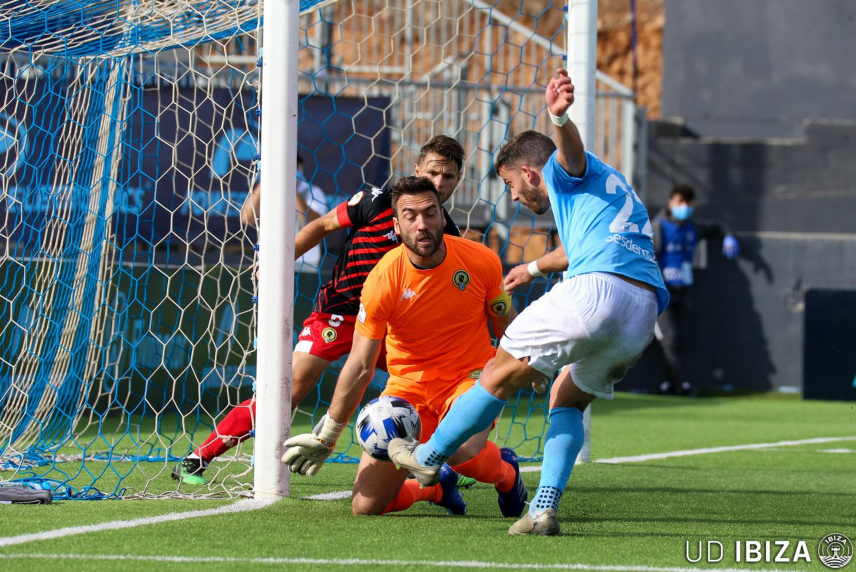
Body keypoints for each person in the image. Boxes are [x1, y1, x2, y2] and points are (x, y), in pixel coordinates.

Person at [387, 68, 669, 536]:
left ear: (531, 172)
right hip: (641, 311)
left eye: (510, 184)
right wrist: (535, 268)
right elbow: (580, 249)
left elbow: (569, 153)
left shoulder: (564, 170)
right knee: (566, 399)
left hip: (595, 294)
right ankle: (542, 510)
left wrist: (559, 117)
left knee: (498, 372)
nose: (513, 196)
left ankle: (428, 457)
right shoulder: (611, 188)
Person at [172, 136, 466, 485]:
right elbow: (323, 226)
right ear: (418, 169)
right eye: (434, 172)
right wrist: (278, 261)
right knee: (288, 385)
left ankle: (448, 465)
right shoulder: (376, 201)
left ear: (458, 180)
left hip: (390, 327)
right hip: (338, 313)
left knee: (435, 386)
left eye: (449, 176)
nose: (439, 182)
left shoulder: (447, 232)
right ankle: (200, 457)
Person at [280, 176, 527, 519]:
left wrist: (523, 364)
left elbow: (507, 327)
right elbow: (360, 366)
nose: (421, 224)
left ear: (443, 217)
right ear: (396, 225)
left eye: (429, 213)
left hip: (468, 379)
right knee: (365, 508)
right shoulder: (382, 280)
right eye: (410, 216)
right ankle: (435, 488)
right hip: (407, 392)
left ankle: (507, 474)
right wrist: (329, 433)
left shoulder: (480, 260)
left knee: (461, 451)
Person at [652, 183, 739, 395]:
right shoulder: (659, 226)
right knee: (670, 338)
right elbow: (649, 258)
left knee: (677, 340)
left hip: (684, 292)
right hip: (662, 294)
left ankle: (668, 384)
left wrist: (728, 236)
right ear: (671, 202)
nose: (685, 207)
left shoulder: (692, 228)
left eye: (688, 203)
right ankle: (681, 385)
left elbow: (718, 225)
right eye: (681, 202)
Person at [239, 153, 329, 270]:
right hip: (269, 261)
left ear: (299, 168)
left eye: (290, 167)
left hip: (305, 263)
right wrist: (265, 179)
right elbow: (246, 218)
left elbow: (314, 224)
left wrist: (289, 186)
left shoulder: (313, 192)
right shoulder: (267, 189)